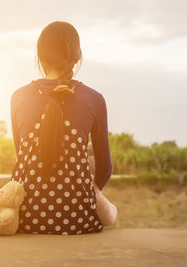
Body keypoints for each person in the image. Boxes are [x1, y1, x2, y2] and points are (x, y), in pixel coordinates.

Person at [10, 21, 117, 235]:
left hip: (25, 217)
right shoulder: (94, 99)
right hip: (78, 219)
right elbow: (105, 168)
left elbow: (21, 156)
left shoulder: (18, 97)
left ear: (39, 57)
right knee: (112, 212)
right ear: (76, 57)